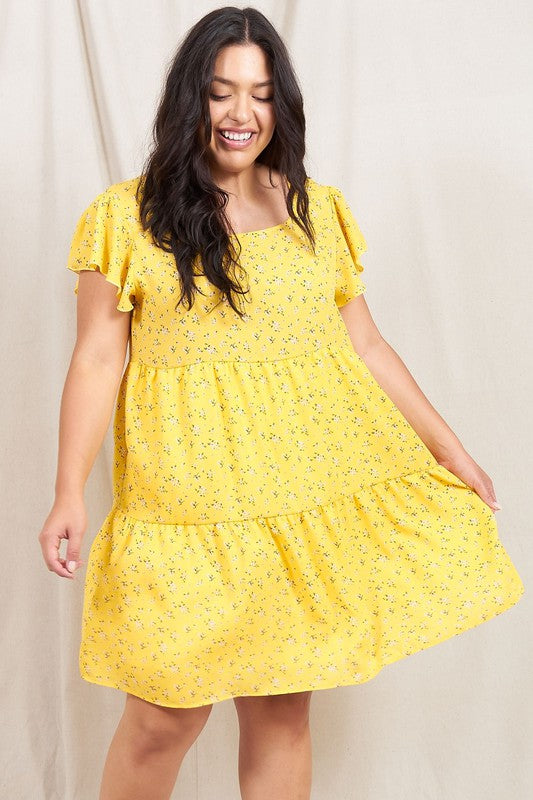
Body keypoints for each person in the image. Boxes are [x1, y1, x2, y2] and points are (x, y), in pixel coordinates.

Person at [38, 6, 525, 800]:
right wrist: (67, 491)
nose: (240, 115)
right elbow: (97, 355)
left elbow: (365, 346)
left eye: (261, 95)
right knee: (164, 717)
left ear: (282, 105)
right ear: (189, 98)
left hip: (302, 494)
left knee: (281, 709)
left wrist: (450, 450)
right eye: (221, 92)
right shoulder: (125, 218)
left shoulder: (314, 211)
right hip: (186, 505)